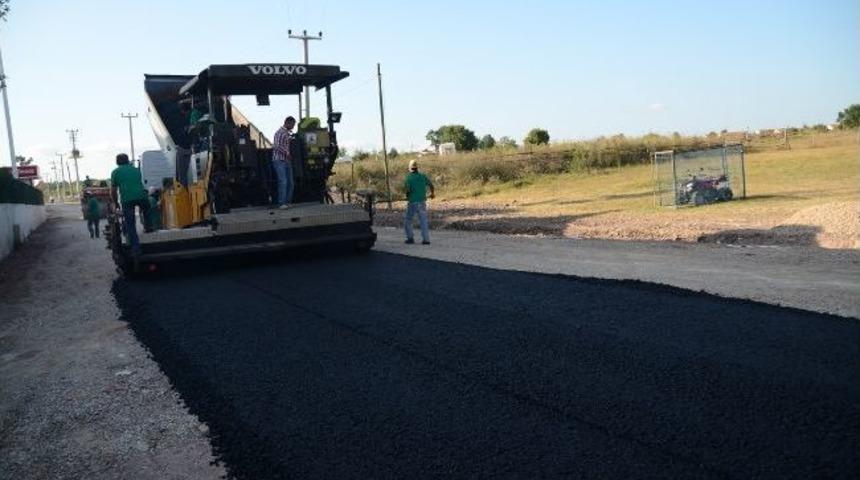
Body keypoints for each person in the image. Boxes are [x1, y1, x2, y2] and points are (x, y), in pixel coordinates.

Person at [110, 153, 151, 256]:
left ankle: (136, 249)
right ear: (127, 160)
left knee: (130, 224)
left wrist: (116, 203)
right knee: (147, 209)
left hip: (127, 200)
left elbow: (113, 191)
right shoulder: (136, 170)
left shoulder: (115, 172)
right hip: (142, 196)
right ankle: (149, 227)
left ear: (117, 162)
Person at [403, 159, 434, 245]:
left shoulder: (408, 178)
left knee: (408, 220)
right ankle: (426, 240)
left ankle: (410, 238)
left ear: (410, 168)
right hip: (422, 202)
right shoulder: (422, 176)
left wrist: (407, 197)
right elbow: (431, 185)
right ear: (417, 168)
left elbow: (407, 191)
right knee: (423, 221)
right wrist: (432, 194)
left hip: (413, 202)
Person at [272, 116, 296, 209]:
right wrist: (287, 153)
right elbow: (276, 145)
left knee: (290, 182)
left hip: (286, 160)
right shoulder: (280, 133)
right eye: (293, 124)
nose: (293, 127)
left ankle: (287, 201)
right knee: (283, 181)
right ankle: (281, 203)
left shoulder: (286, 133)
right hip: (279, 160)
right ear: (287, 123)